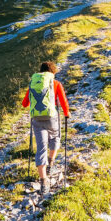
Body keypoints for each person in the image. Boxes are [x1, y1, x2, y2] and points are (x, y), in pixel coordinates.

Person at [21, 61, 70, 195]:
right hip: (52, 118)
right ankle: (51, 162)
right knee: (55, 137)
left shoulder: (34, 83)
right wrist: (67, 113)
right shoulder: (56, 84)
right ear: (52, 73)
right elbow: (63, 101)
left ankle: (43, 181)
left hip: (37, 119)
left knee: (41, 147)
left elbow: (24, 103)